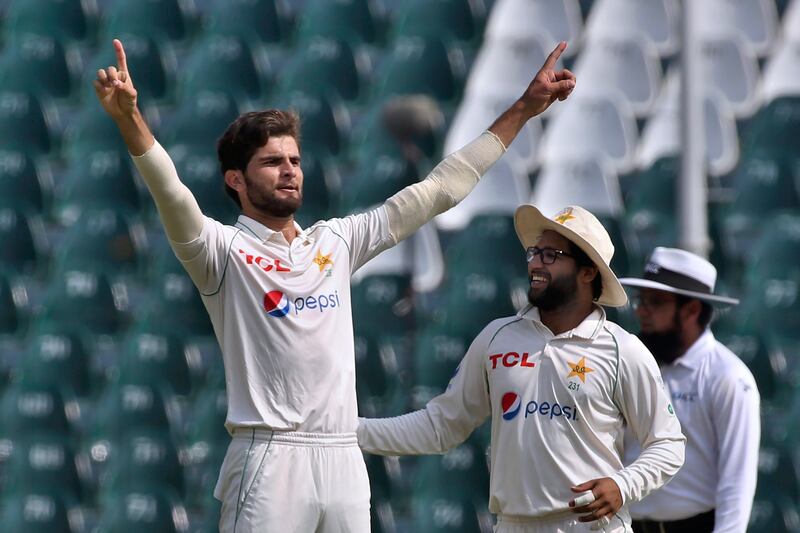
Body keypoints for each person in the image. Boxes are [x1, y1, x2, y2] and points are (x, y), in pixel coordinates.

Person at [93, 37, 577, 533]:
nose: (289, 171)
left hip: (343, 458)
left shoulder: (336, 241)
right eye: (272, 162)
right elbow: (171, 193)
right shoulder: (220, 252)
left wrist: (523, 108)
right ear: (235, 180)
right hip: (270, 458)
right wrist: (130, 119)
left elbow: (439, 191)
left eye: (295, 161)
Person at [358, 205, 686, 533]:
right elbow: (440, 427)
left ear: (588, 272)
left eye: (551, 254)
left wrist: (623, 485)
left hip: (591, 527)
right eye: (534, 252)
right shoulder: (497, 337)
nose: (536, 263)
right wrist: (346, 432)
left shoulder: (621, 349)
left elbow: (668, 443)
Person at [619, 247, 760, 533]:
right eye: (640, 300)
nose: (641, 311)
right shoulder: (633, 363)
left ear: (692, 309)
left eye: (655, 302)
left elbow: (737, 482)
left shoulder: (728, 377)